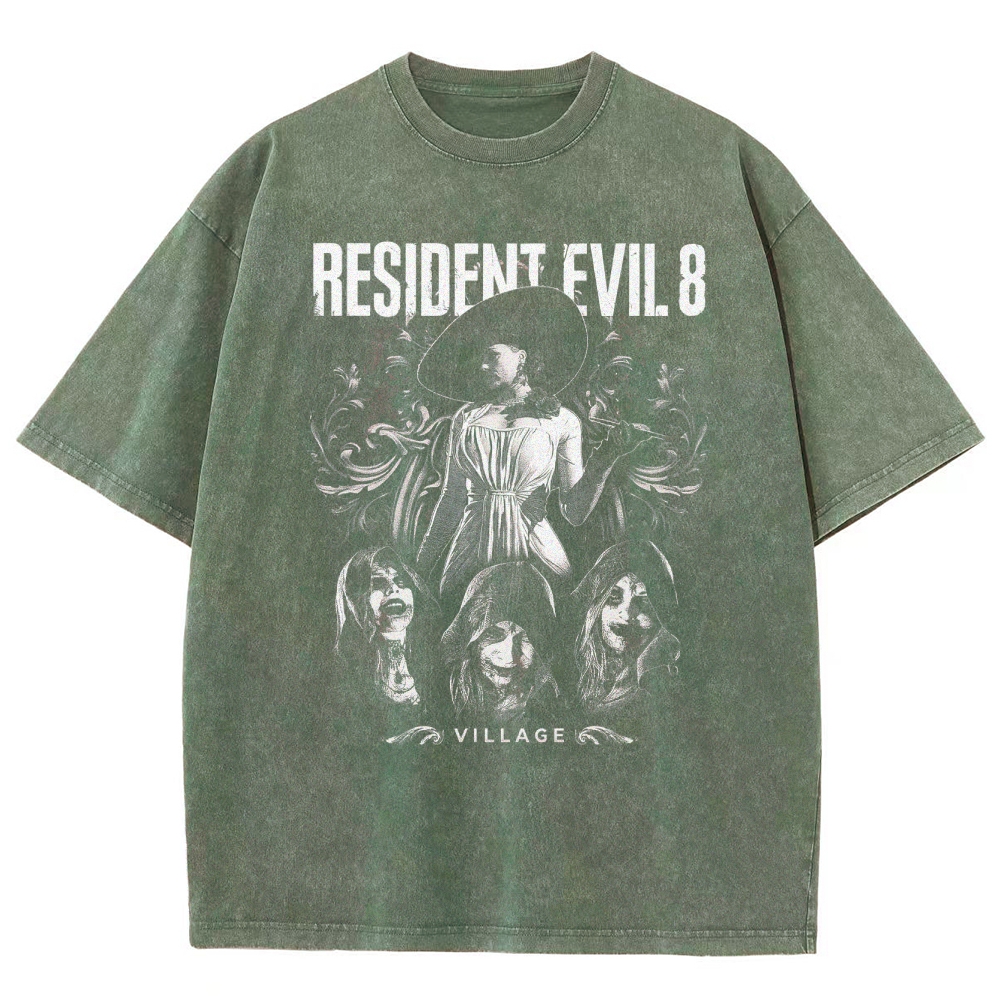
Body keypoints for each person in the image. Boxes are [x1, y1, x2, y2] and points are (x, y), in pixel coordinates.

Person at [414, 284, 655, 604]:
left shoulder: (562, 420)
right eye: (479, 358)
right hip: (470, 553)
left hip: (536, 552)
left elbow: (574, 513)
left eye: (492, 355)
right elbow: (451, 499)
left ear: (522, 357)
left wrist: (606, 458)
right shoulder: (466, 418)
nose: (483, 366)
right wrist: (420, 568)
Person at [440, 561, 560, 723]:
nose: (509, 654)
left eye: (524, 638)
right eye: (494, 635)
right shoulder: (443, 701)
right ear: (472, 639)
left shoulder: (550, 707)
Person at [569, 539, 681, 713]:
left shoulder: (662, 684)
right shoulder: (579, 675)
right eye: (614, 597)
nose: (627, 614)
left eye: (643, 600)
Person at [334, 545, 440, 711]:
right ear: (355, 600)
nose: (394, 588)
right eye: (377, 583)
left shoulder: (436, 662)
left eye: (400, 582)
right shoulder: (342, 676)